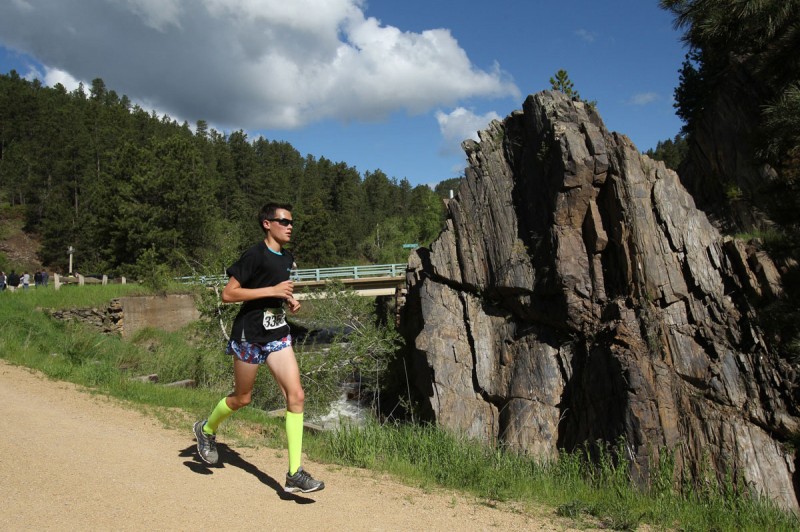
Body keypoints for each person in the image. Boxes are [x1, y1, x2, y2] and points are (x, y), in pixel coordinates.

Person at [193, 202, 324, 493]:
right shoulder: (254, 254)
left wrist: (288, 301)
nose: (290, 226)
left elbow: (277, 290)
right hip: (249, 335)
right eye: (284, 221)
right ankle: (206, 430)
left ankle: (294, 474)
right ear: (267, 223)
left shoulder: (287, 257)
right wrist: (273, 291)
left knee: (296, 396)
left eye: (292, 222)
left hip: (277, 333)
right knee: (242, 398)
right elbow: (229, 294)